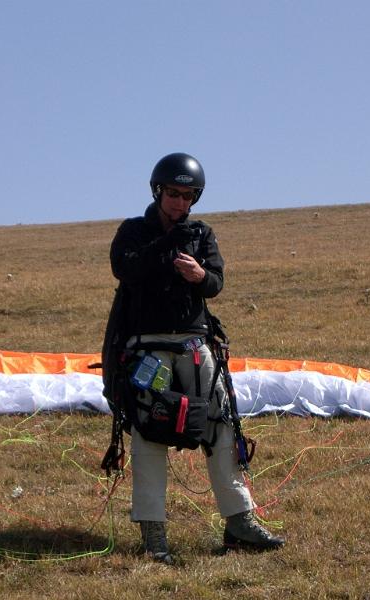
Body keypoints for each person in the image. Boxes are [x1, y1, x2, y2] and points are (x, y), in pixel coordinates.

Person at [104, 152, 284, 564]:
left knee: (220, 424)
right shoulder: (133, 232)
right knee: (149, 431)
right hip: (145, 348)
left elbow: (217, 282)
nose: (179, 202)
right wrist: (166, 246)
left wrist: (200, 276)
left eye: (188, 196)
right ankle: (154, 535)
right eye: (173, 193)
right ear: (158, 191)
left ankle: (240, 522)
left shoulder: (202, 234)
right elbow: (124, 270)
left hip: (194, 344)